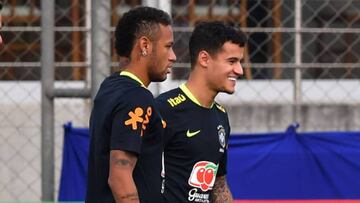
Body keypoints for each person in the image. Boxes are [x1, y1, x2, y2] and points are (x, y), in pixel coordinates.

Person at [86, 6, 176, 203]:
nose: (173, 56)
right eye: (168, 46)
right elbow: (120, 178)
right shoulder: (136, 97)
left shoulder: (110, 87)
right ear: (145, 45)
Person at [156, 21, 247, 203]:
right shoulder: (164, 109)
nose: (240, 70)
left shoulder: (221, 116)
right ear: (204, 59)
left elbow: (219, 186)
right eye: (232, 61)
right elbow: (128, 175)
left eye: (240, 62)